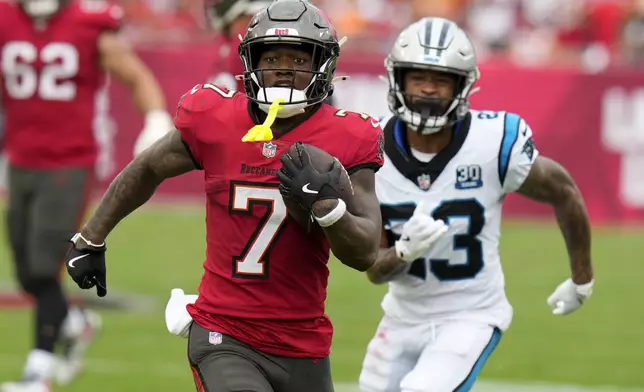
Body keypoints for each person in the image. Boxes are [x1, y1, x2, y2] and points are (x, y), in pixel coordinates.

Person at [64, 1, 384, 391]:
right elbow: (147, 167)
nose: (283, 68)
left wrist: (328, 207)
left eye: (297, 58)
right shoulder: (215, 118)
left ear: (323, 66)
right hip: (225, 333)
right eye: (272, 56)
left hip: (304, 343)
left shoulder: (347, 138)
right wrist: (91, 236)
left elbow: (365, 251)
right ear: (249, 60)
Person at [358, 17, 595, 392]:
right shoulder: (368, 147)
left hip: (470, 315)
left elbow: (564, 191)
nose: (428, 90)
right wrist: (404, 252)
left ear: (463, 85)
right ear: (397, 79)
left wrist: (582, 278)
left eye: (441, 80)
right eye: (418, 77)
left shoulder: (494, 142)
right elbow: (374, 270)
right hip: (400, 318)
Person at [0, 0, 174, 390]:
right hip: (20, 161)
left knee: (45, 267)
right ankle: (72, 322)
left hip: (68, 163)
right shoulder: (6, 19)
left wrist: (155, 117)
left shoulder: (87, 22)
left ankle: (39, 371)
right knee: (27, 273)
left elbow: (135, 75)